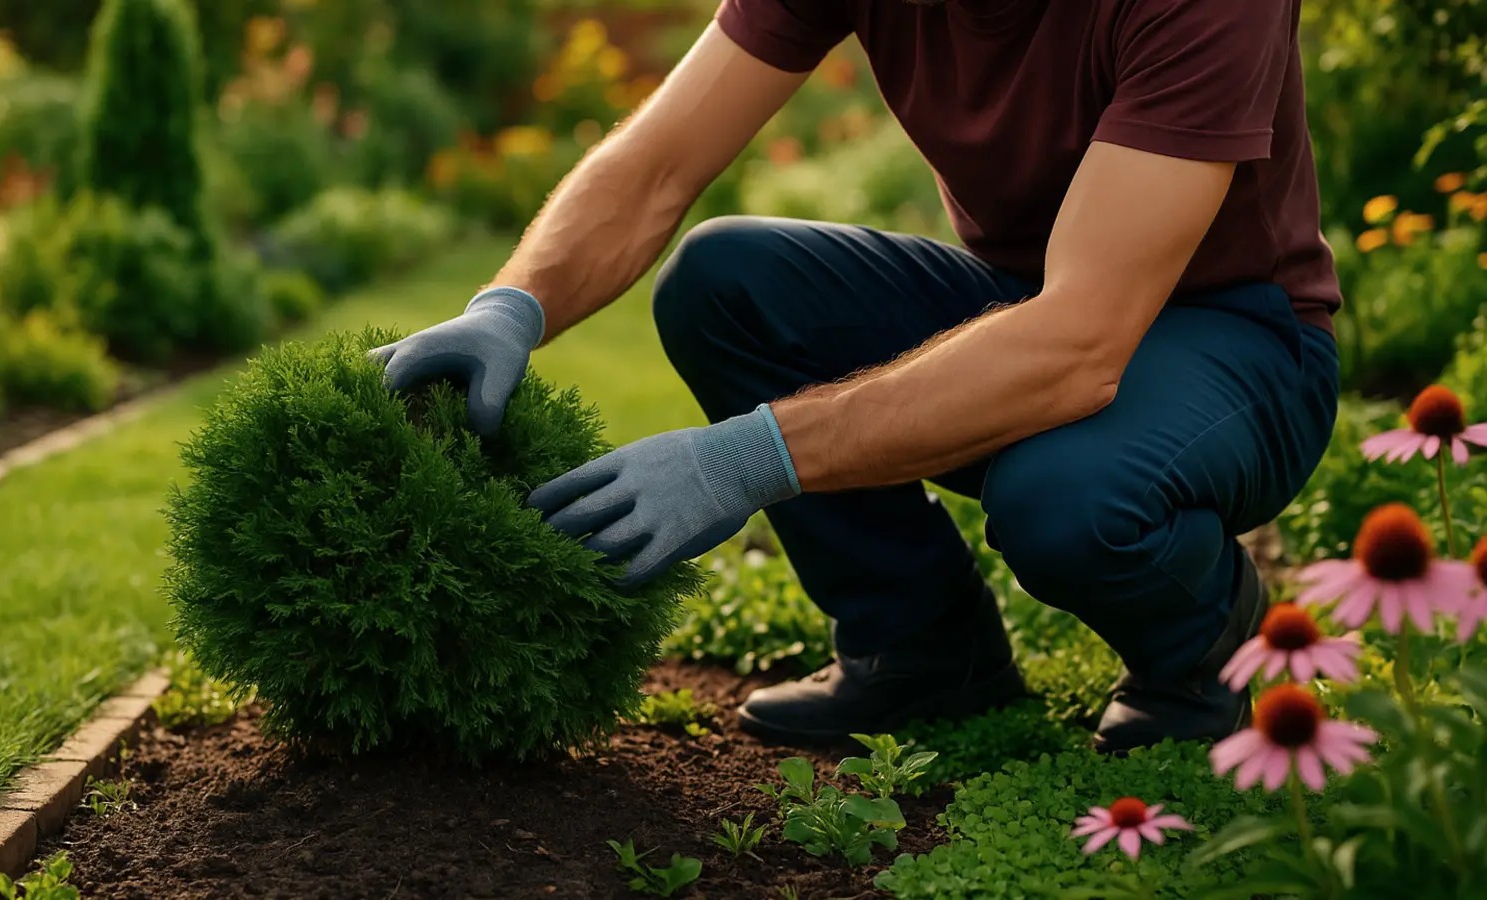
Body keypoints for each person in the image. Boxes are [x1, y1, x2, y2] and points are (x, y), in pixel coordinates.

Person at [369, 0, 1341, 754]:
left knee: (1064, 498)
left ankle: (1199, 649)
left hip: (1239, 338)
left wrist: (743, 460)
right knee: (724, 284)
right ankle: (923, 651)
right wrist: (510, 307)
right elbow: (656, 165)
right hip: (1028, 297)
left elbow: (1079, 345)